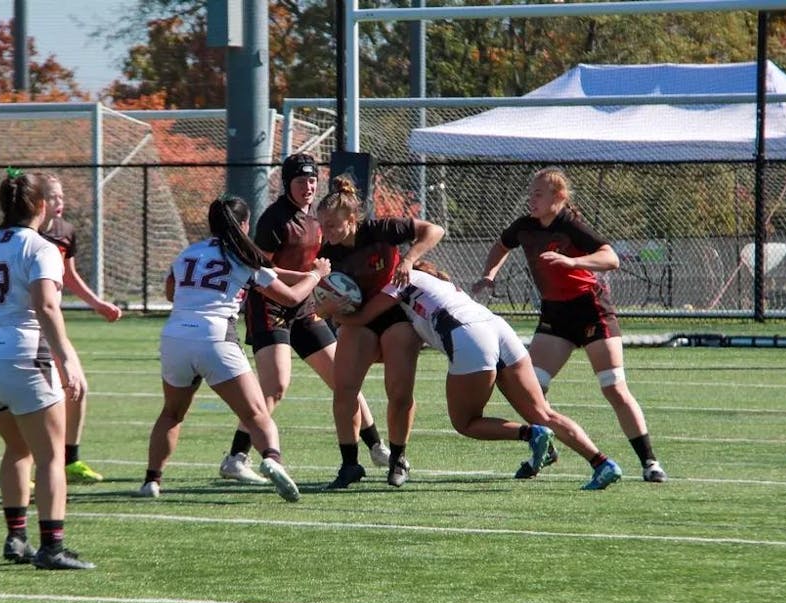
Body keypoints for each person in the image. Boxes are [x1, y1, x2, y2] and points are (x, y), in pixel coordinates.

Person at [325, 260, 622, 490]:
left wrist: (329, 311)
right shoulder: (445, 289)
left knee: (466, 422)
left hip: (469, 337)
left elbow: (363, 317)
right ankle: (601, 462)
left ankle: (530, 433)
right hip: (499, 328)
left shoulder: (403, 280)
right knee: (542, 411)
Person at [472, 167, 666, 483]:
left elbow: (611, 258)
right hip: (555, 316)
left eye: (538, 194)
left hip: (591, 312)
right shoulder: (525, 227)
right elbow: (502, 245)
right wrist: (489, 274)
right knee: (531, 391)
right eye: (531, 193)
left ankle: (650, 463)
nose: (531, 199)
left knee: (614, 387)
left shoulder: (571, 227)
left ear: (558, 198)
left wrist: (573, 262)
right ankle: (546, 449)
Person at [135, 196, 331, 503]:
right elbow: (291, 298)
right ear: (243, 224)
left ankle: (151, 481)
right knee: (256, 414)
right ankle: (271, 459)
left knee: (172, 413)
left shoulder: (189, 252)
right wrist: (316, 275)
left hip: (175, 337)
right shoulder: (244, 255)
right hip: (215, 338)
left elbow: (172, 293)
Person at [221, 152, 390, 485]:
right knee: (275, 386)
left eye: (312, 180)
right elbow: (261, 270)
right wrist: (306, 279)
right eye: (301, 181)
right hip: (270, 306)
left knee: (345, 380)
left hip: (306, 307)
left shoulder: (318, 217)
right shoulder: (275, 219)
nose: (308, 186)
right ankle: (236, 458)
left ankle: (376, 447)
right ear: (287, 184)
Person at [0, 170, 94, 570]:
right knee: (51, 456)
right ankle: (52, 547)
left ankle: (16, 539)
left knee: (17, 448)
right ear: (40, 206)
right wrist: (67, 357)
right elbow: (46, 306)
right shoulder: (41, 248)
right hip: (24, 358)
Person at [316, 175, 445, 489]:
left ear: (353, 219)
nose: (327, 232)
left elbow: (434, 230)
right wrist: (330, 306)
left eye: (333, 224)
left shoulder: (380, 230)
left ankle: (398, 458)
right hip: (359, 319)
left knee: (399, 394)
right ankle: (350, 465)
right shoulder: (328, 253)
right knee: (345, 389)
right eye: (323, 225)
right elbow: (319, 306)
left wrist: (410, 260)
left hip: (395, 314)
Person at [35, 173, 120, 484]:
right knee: (36, 397)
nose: (60, 203)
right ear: (36, 201)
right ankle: (24, 462)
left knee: (76, 388)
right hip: (25, 325)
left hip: (51, 321)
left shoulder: (64, 231)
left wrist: (97, 303)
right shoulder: (20, 234)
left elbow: (68, 275)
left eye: (61, 196)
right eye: (53, 197)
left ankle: (71, 460)